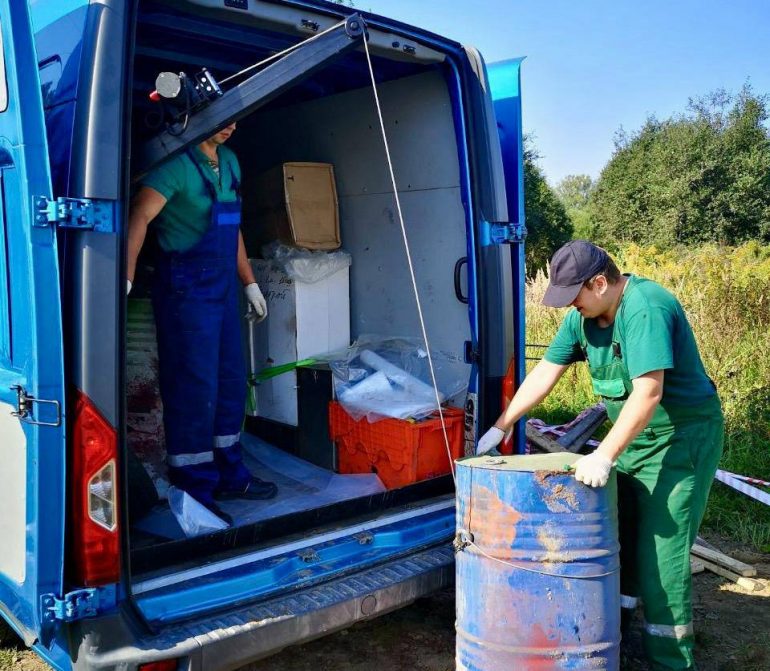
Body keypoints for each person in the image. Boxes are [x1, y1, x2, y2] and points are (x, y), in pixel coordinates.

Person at [478, 240, 723, 671]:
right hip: (635, 440)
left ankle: (672, 659)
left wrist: (604, 454)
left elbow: (648, 393)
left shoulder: (646, 308)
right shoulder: (584, 318)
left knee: (661, 553)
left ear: (600, 282)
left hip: (681, 440)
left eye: (575, 296)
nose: (572, 307)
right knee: (620, 536)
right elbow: (545, 372)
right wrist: (504, 423)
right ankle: (616, 638)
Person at [127, 122, 277, 524]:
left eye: (234, 119)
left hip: (224, 287)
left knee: (230, 381)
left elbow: (233, 228)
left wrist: (250, 283)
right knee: (194, 388)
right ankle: (194, 487)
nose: (230, 127)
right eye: (221, 118)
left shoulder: (229, 162)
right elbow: (139, 216)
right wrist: (124, 276)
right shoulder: (173, 166)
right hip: (186, 291)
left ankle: (231, 475)